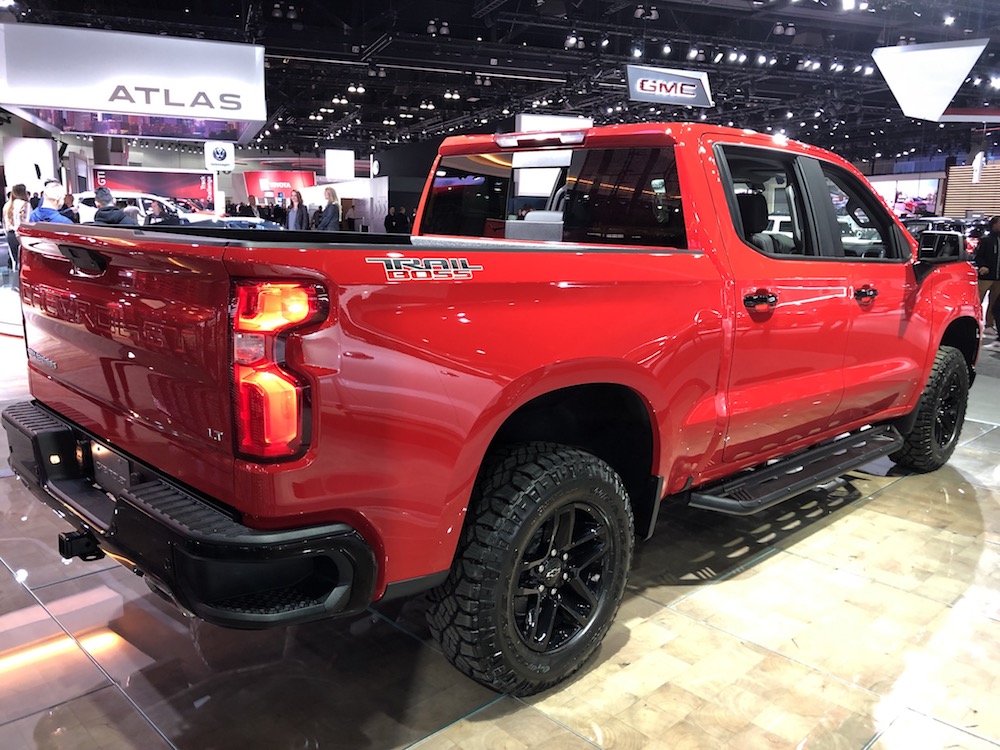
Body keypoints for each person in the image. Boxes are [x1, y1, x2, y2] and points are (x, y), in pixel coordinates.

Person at [974, 215, 1000, 343]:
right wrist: (982, 266)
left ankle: (990, 325)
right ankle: (975, 323)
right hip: (986, 277)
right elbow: (978, 256)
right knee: (978, 300)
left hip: (998, 278)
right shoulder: (986, 240)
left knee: (994, 303)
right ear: (994, 225)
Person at [3, 183, 30, 290]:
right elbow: (26, 222)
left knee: (15, 261)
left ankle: (15, 285)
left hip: (10, 235)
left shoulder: (7, 205)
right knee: (24, 261)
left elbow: (4, 223)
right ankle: (23, 286)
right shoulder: (25, 204)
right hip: (21, 235)